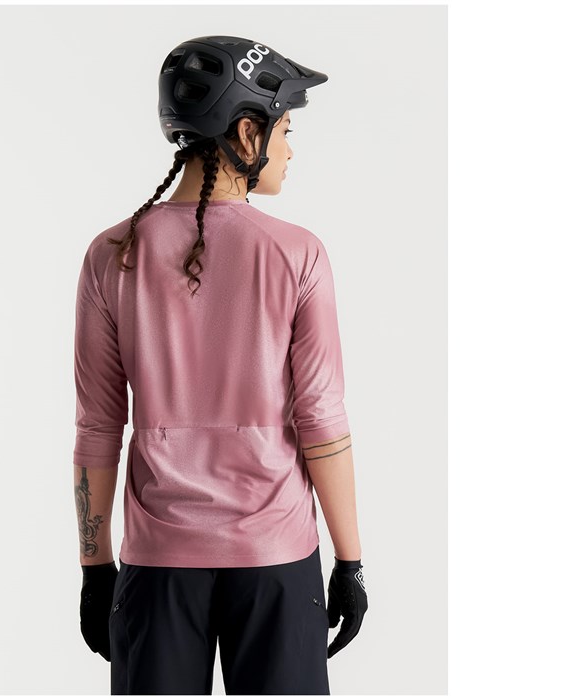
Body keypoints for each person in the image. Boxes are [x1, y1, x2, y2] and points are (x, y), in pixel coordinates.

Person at [73, 35, 368, 695]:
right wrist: (349, 562)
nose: (290, 149)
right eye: (284, 130)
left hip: (156, 564)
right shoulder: (297, 254)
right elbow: (321, 421)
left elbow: (98, 426)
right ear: (245, 131)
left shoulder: (110, 254)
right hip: (276, 558)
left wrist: (94, 567)